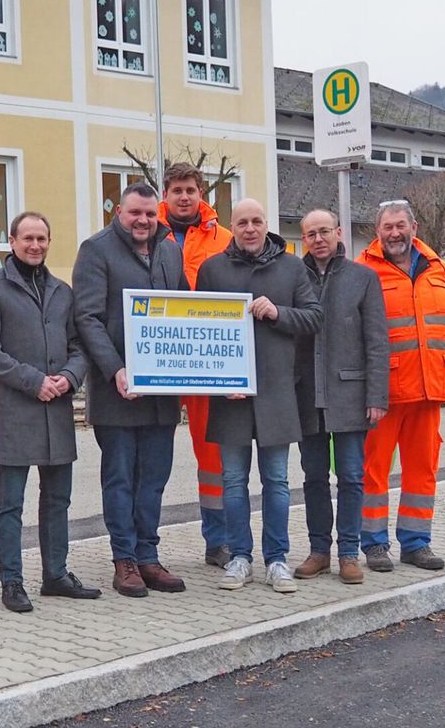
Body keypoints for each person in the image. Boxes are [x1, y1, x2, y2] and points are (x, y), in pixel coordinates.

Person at [0, 211, 101, 613]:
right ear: (12, 242)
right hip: (17, 411)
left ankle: (55, 575)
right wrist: (33, 380)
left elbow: (79, 347)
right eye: (27, 238)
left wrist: (69, 376)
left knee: (58, 499)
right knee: (11, 503)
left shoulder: (63, 292)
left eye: (41, 238)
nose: (35, 245)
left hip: (56, 411)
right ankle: (12, 581)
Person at [195, 199, 322, 591]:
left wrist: (278, 313)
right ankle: (240, 558)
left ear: (267, 225)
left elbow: (314, 317)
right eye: (242, 223)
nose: (249, 229)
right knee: (233, 482)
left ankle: (277, 559)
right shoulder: (213, 269)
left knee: (277, 482)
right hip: (230, 397)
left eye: (256, 221)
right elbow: (200, 330)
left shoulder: (292, 267)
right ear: (231, 227)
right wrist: (218, 382)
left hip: (277, 393)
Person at [74, 182, 189, 597]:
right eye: (135, 213)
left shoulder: (170, 251)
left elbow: (185, 310)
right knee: (121, 478)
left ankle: (148, 556)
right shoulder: (96, 250)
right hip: (117, 392)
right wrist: (115, 369)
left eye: (150, 214)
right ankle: (124, 559)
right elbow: (87, 317)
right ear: (119, 212)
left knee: (154, 479)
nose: (143, 220)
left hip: (161, 393)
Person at [356, 200, 445, 572]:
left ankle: (417, 544)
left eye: (401, 225)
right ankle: (374, 545)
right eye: (388, 227)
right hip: (384, 392)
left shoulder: (439, 269)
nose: (395, 233)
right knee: (373, 471)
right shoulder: (363, 271)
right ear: (377, 231)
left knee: (423, 470)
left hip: (429, 388)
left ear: (414, 227)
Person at [293, 209, 389, 585]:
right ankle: (319, 552)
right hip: (306, 396)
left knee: (351, 477)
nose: (318, 239)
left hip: (350, 394)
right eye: (311, 234)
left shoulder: (363, 278)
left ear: (338, 233)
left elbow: (377, 342)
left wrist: (376, 396)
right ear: (304, 239)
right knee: (313, 477)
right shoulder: (293, 276)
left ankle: (349, 553)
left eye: (324, 232)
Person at [156, 163, 234, 567]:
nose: (184, 197)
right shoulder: (146, 232)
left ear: (201, 193)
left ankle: (218, 541)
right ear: (165, 195)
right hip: (161, 360)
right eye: (177, 190)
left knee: (213, 458)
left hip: (208, 362)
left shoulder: (225, 239)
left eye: (190, 190)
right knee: (152, 458)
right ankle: (142, 547)